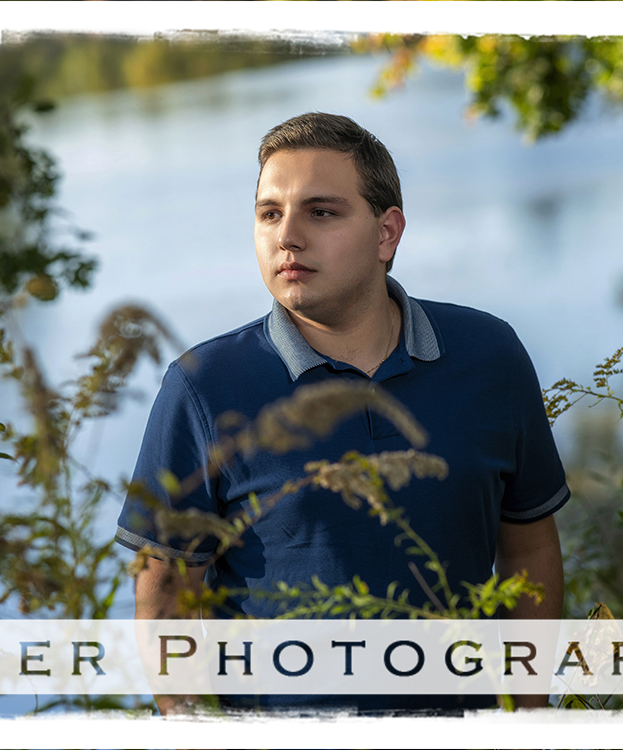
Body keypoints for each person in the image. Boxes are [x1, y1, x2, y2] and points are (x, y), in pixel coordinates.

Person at [115, 112, 569, 715]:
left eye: (321, 212)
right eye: (269, 213)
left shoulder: (489, 356)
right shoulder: (204, 387)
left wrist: (527, 712)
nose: (288, 237)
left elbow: (529, 546)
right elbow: (167, 594)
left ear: (387, 233)